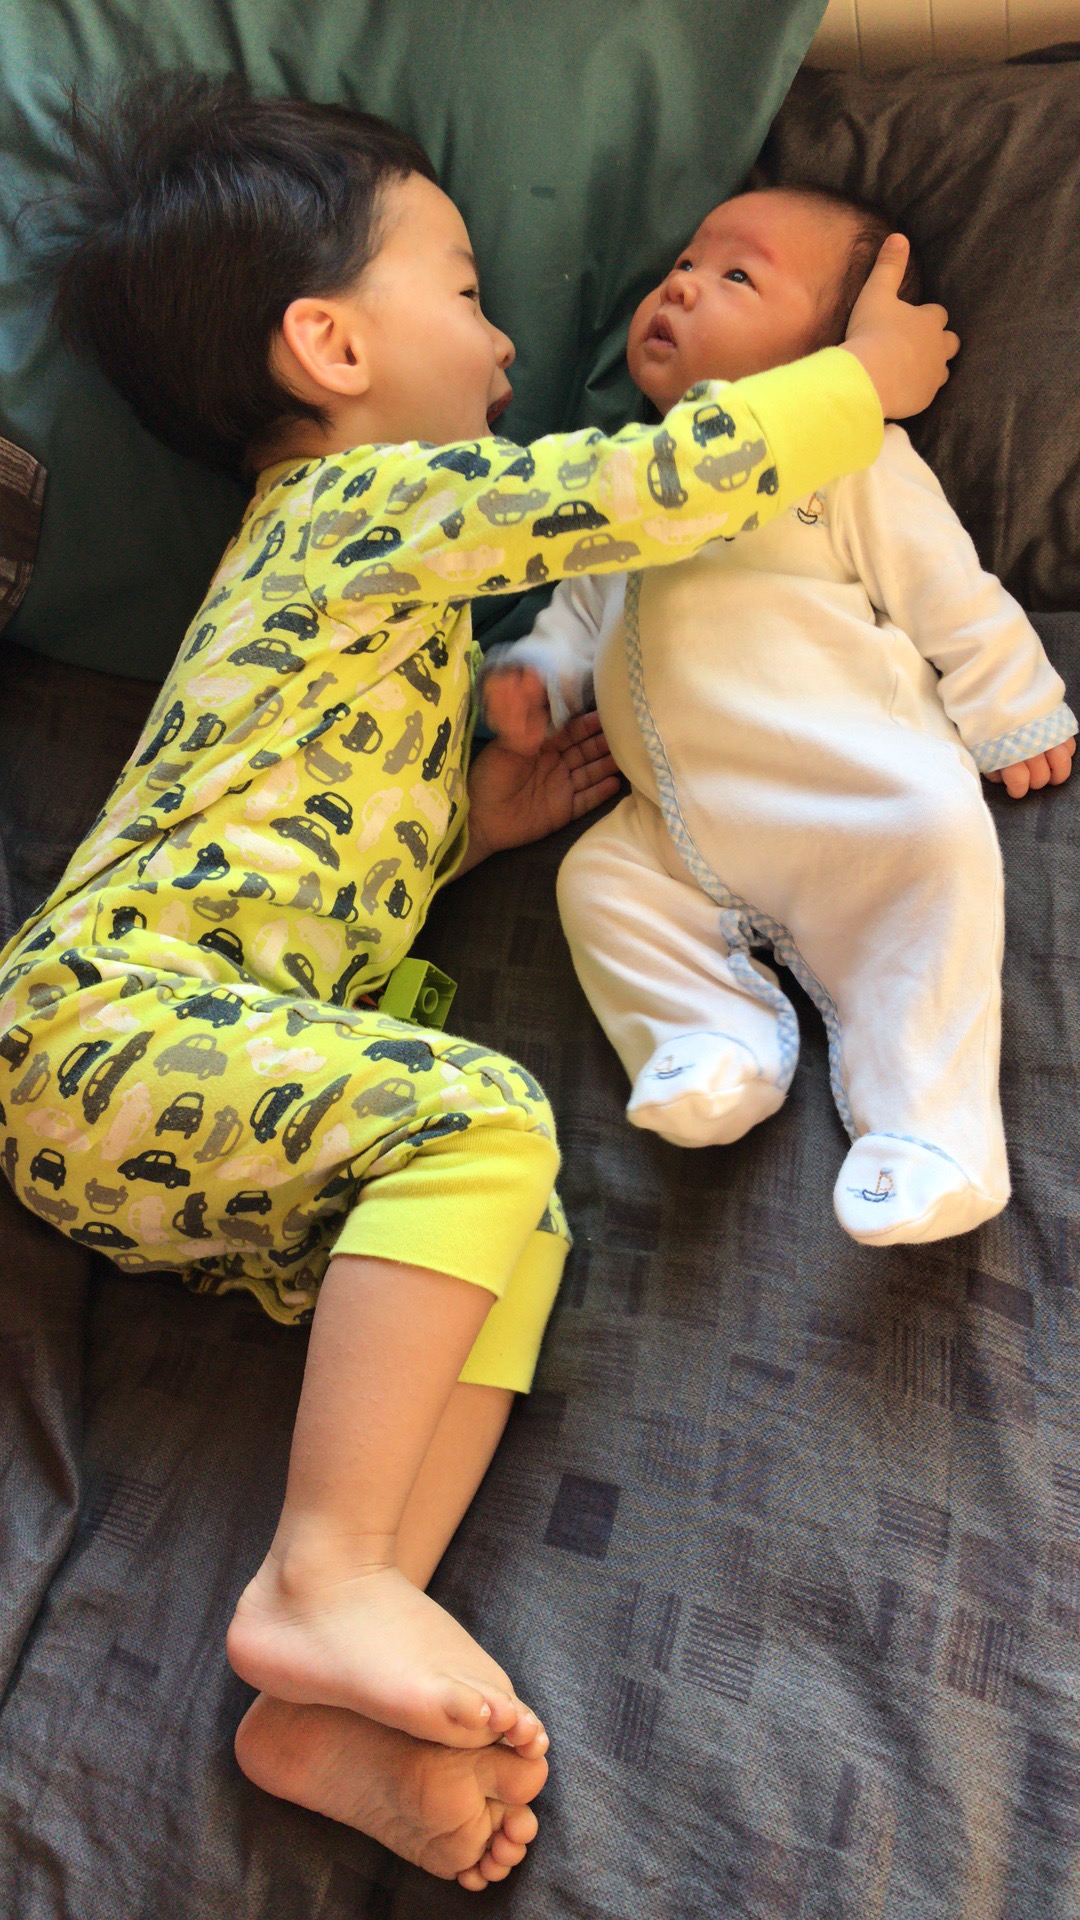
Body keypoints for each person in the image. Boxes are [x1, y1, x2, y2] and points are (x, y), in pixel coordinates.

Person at [0, 84, 957, 1886]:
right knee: (484, 1112)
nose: (513, 338)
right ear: (331, 346)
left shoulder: (343, 587)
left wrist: (466, 824)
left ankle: (324, 1682)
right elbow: (634, 490)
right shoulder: (360, 507)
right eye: (464, 288)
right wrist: (856, 386)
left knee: (508, 1225)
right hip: (107, 1022)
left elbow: (291, 840)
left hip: (175, 1101)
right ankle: (323, 1575)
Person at [484, 185, 1076, 1253]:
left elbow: (949, 588)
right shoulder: (625, 480)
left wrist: (1018, 706)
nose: (680, 285)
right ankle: (710, 1040)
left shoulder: (850, 455)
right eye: (684, 262)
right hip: (676, 827)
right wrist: (538, 673)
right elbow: (576, 612)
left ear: (832, 353)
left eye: (736, 276)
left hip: (853, 790)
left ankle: (930, 1135)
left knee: (942, 853)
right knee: (596, 886)